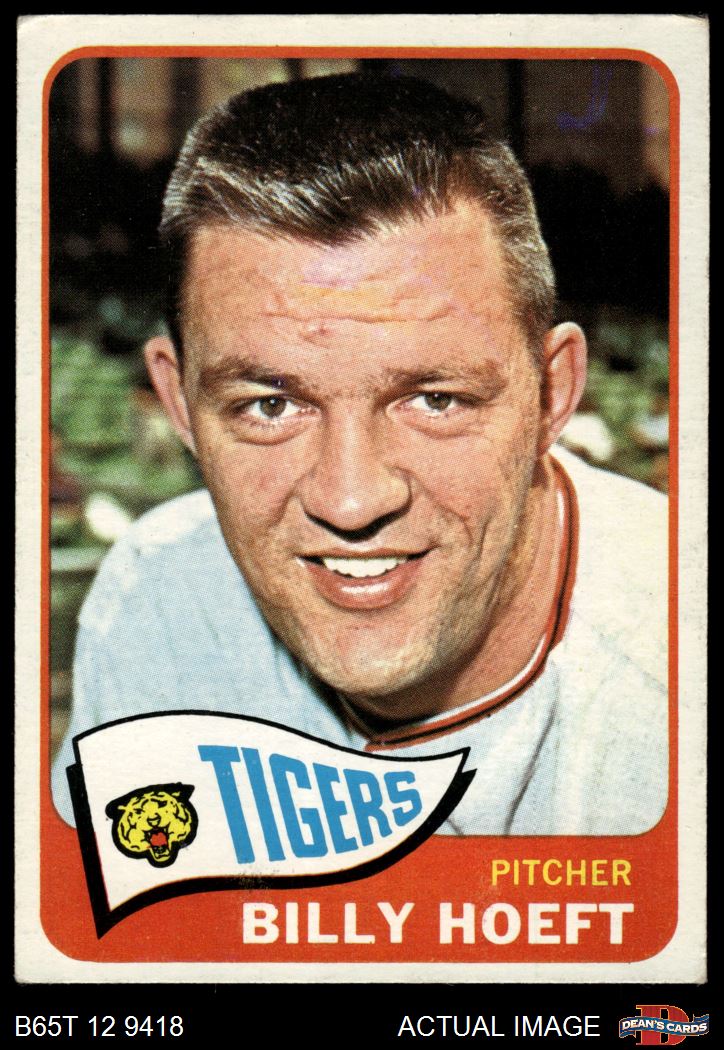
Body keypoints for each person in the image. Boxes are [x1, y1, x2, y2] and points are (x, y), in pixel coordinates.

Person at [52, 72, 667, 834]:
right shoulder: (160, 601)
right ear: (179, 404)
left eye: (435, 400)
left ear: (552, 395)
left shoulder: (675, 683)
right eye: (271, 405)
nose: (350, 501)